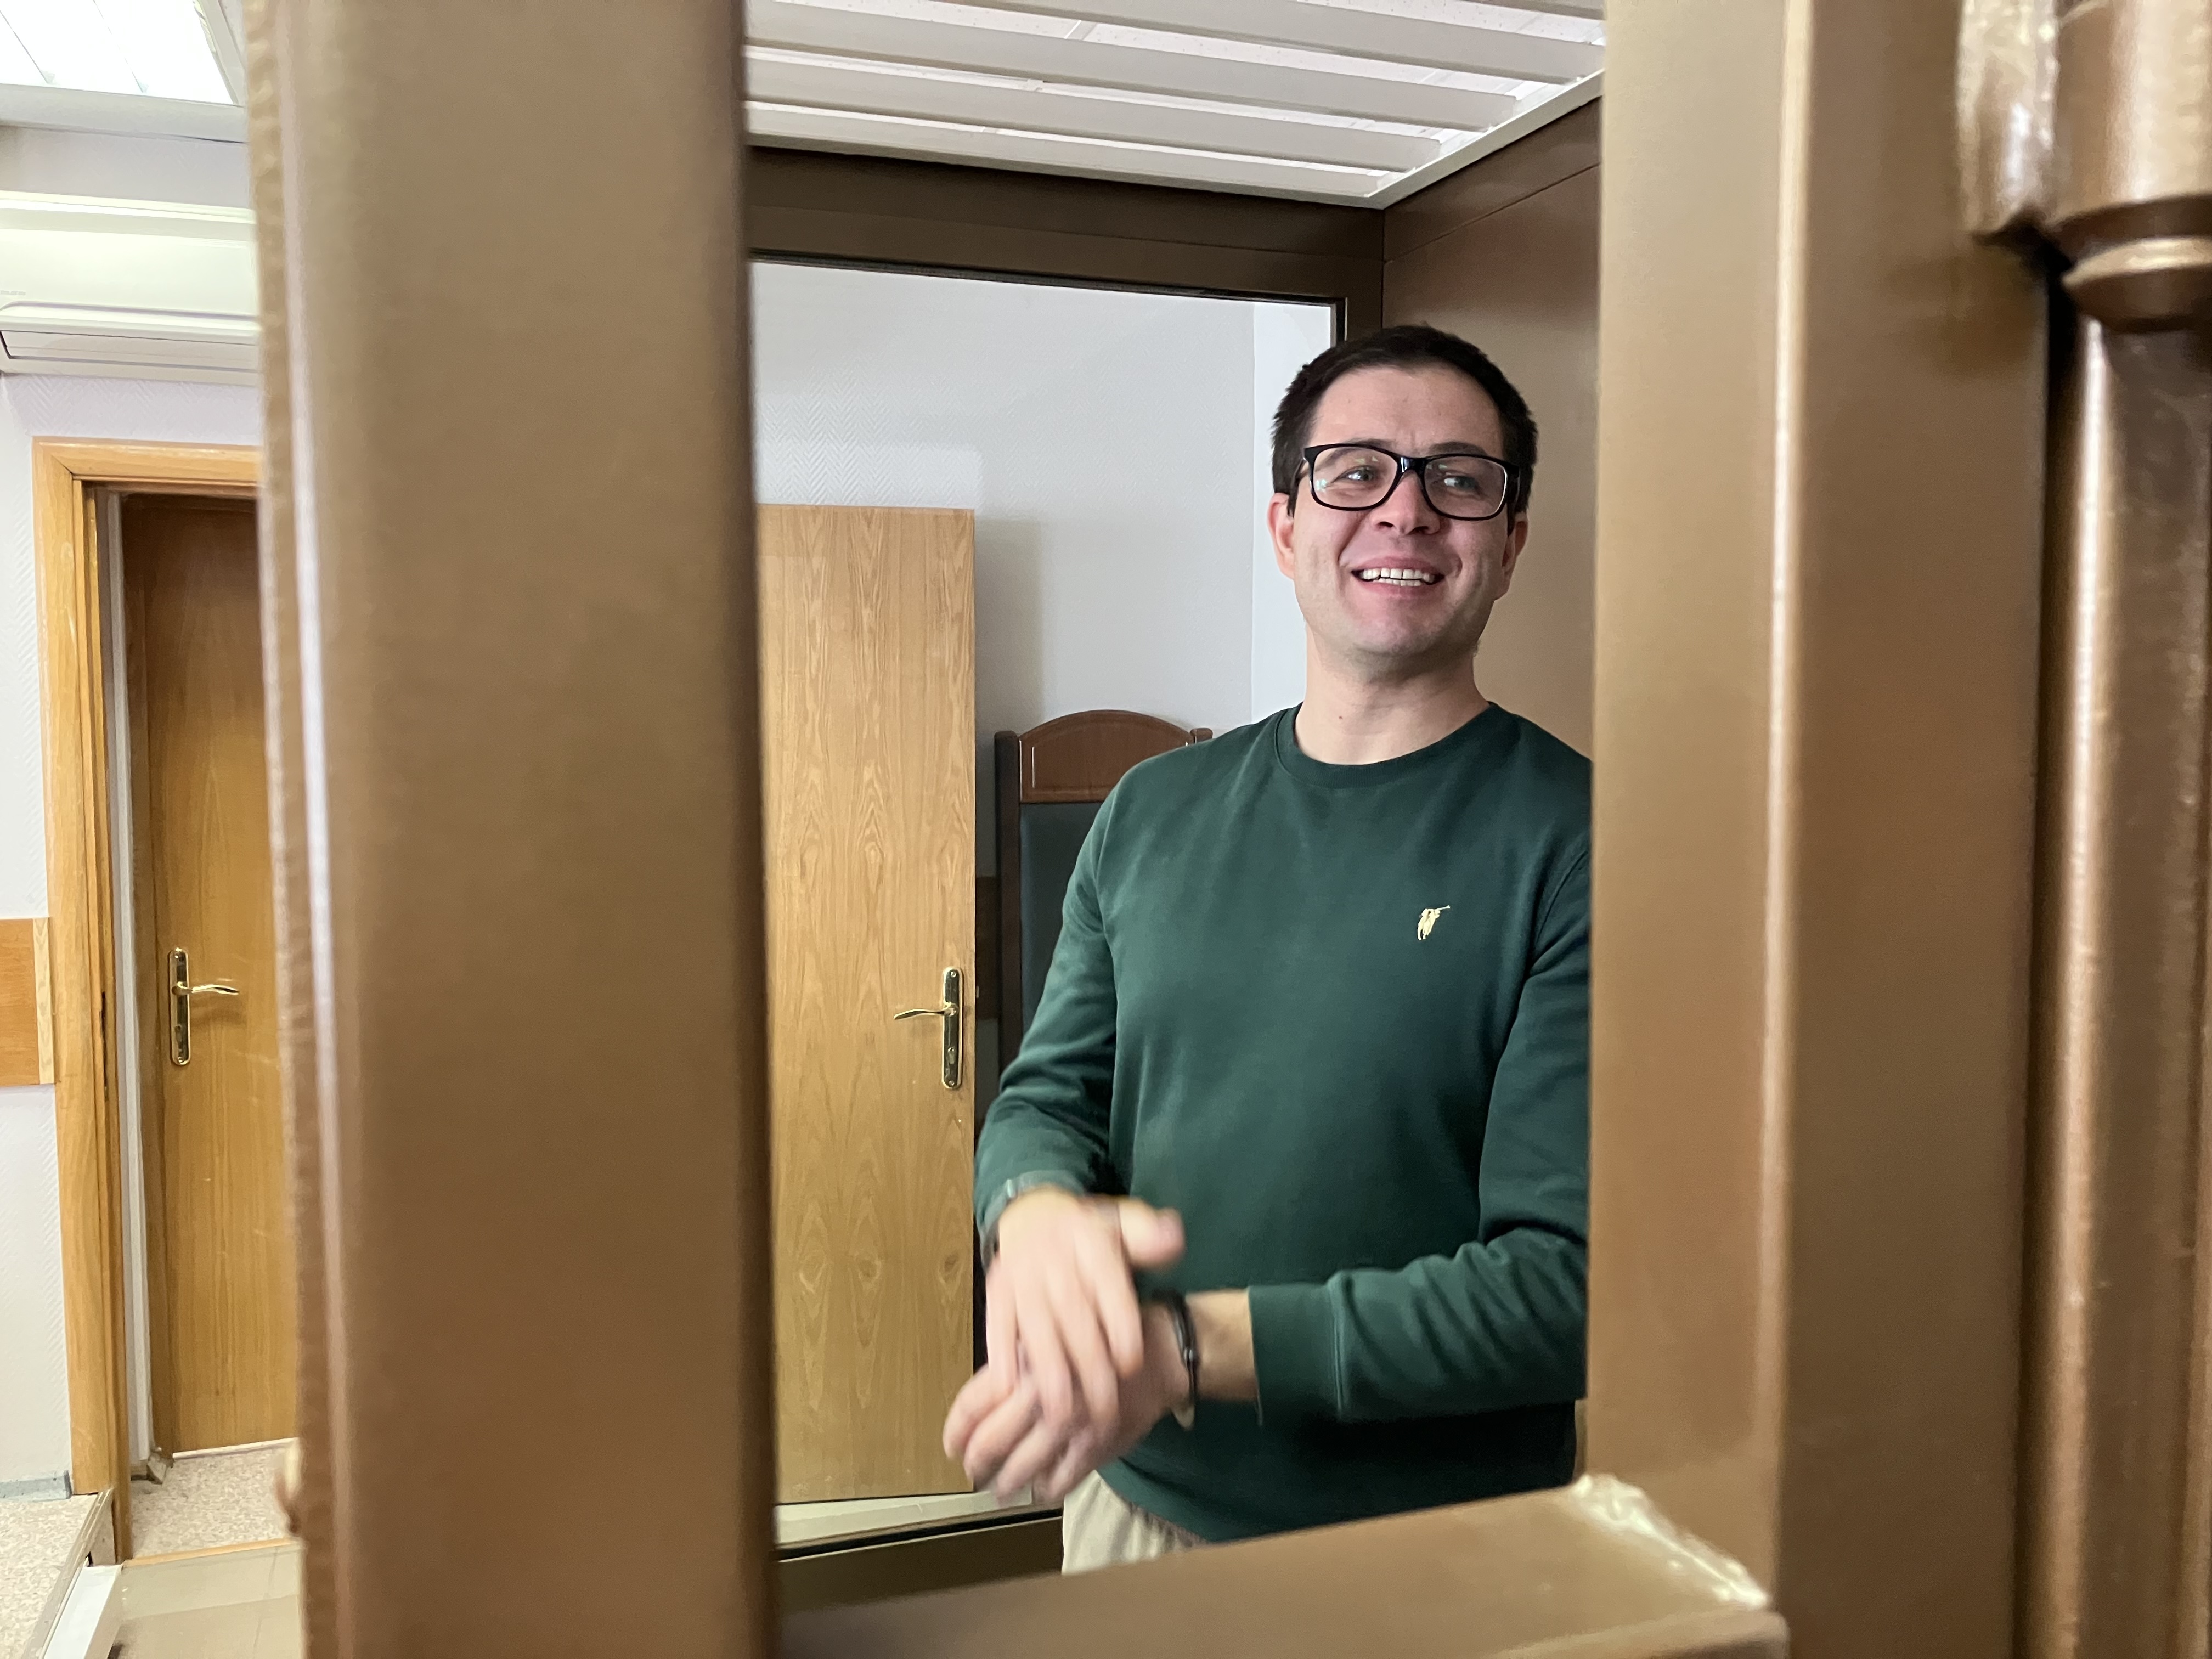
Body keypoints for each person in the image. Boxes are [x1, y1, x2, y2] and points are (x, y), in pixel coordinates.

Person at [942, 324, 1589, 1571]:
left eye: (1460, 479)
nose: (1406, 510)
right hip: (1134, 1504)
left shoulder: (1582, 841)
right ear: (1287, 525)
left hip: (1435, 1552)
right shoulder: (1152, 808)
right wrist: (1033, 1211)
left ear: (1510, 543)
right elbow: (1046, 1099)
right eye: (1356, 471)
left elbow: (1564, 1289)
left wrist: (1182, 1350)